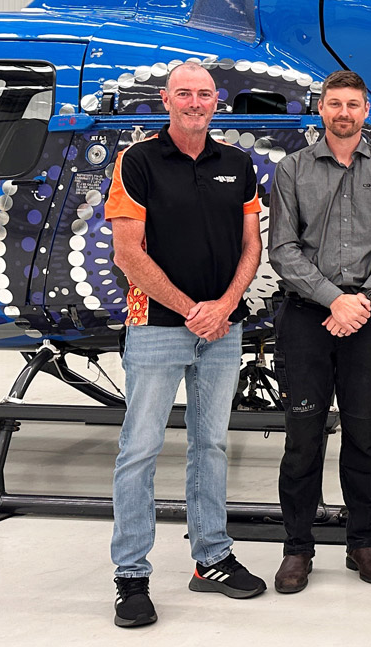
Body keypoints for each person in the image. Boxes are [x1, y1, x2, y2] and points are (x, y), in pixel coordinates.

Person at [104, 62, 267, 627]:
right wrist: (189, 308)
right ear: (167, 100)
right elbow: (128, 252)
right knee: (140, 449)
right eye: (184, 94)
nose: (195, 102)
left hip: (223, 329)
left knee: (211, 447)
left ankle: (212, 559)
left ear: (216, 100)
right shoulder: (138, 162)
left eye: (204, 93)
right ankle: (131, 575)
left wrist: (222, 308)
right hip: (155, 328)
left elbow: (252, 245)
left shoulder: (238, 163)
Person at [266, 70, 371, 593]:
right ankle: (297, 548)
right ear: (320, 109)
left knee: (364, 435)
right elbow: (282, 249)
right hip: (307, 318)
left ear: (366, 111)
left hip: (369, 319)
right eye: (334, 104)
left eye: (353, 104)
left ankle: (362, 542)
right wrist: (334, 299)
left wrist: (364, 299)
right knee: (303, 438)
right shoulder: (292, 170)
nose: (344, 112)